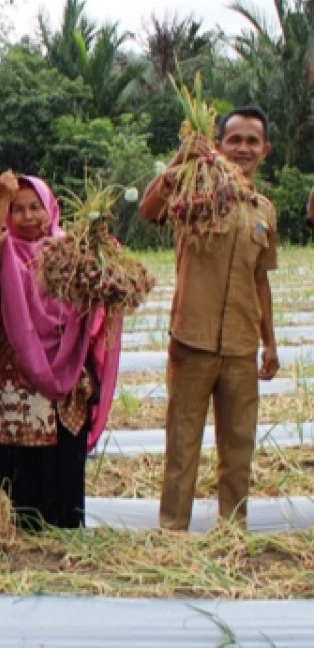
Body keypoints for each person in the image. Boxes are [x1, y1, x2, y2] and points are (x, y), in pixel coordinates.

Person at [139, 107, 279, 530]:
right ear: (219, 145)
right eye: (234, 139)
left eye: (252, 141)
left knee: (238, 448)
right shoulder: (194, 190)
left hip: (240, 347)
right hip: (192, 341)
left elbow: (261, 279)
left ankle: (233, 532)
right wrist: (182, 160)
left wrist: (269, 341)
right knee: (182, 446)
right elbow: (148, 210)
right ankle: (172, 532)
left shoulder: (264, 211)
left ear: (265, 150)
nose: (243, 148)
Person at [0, 171, 120, 530]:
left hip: (68, 361)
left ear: (52, 209)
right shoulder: (3, 249)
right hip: (16, 363)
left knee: (65, 443)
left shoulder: (72, 250)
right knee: (21, 447)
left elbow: (103, 290)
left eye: (35, 207)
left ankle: (64, 523)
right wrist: (0, 199)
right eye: (17, 209)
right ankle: (21, 525)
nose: (28, 216)